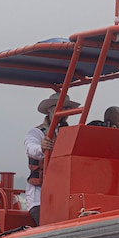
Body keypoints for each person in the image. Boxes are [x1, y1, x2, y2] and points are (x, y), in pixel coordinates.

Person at [25, 93, 80, 225]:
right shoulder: (37, 132)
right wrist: (42, 148)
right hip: (40, 197)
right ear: (50, 109)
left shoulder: (71, 133)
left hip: (63, 195)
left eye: (67, 108)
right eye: (61, 107)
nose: (65, 111)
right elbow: (30, 147)